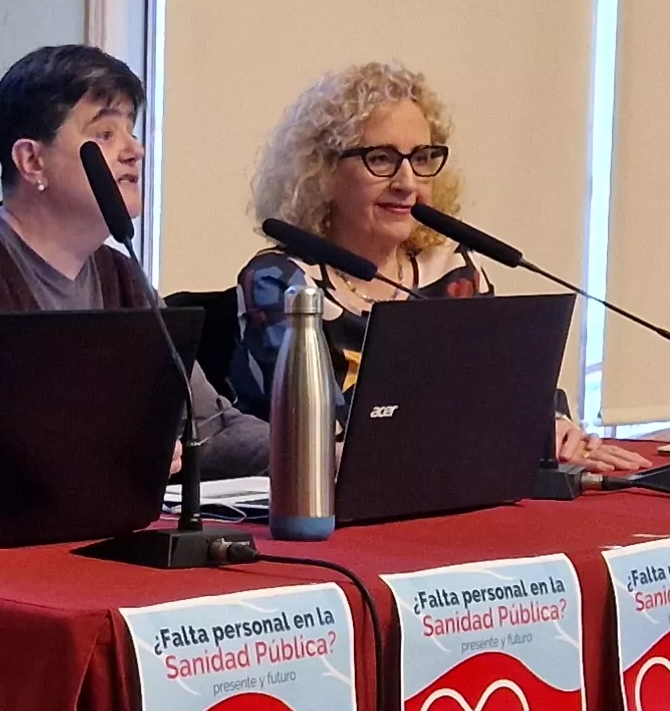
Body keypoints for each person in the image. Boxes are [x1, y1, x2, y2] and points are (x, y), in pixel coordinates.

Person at [0, 44, 268, 509]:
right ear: (32, 161)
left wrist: (324, 457)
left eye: (131, 131)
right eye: (104, 133)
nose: (135, 151)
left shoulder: (124, 278)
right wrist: (106, 469)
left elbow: (211, 427)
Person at [232, 61, 645, 471]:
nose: (407, 182)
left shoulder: (452, 271)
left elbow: (504, 388)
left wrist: (553, 427)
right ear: (323, 172)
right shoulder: (282, 282)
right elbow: (329, 433)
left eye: (423, 158)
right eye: (381, 158)